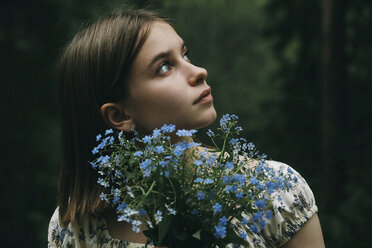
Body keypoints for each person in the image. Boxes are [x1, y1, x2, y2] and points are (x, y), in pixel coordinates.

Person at [48, 9, 325, 248]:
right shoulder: (75, 229)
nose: (199, 71)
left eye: (185, 55)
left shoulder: (276, 193)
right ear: (119, 115)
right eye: (164, 67)